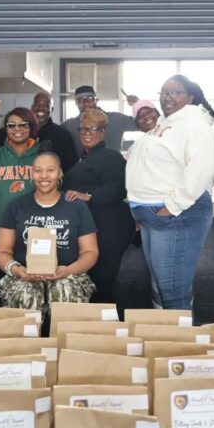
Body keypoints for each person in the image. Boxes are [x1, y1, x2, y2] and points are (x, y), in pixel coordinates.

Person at [126, 75, 214, 310]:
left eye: (175, 92)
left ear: (191, 97)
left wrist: (173, 206)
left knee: (173, 291)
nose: (168, 97)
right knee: (159, 287)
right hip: (153, 216)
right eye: (164, 92)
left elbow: (200, 170)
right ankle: (163, 341)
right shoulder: (168, 124)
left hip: (175, 215)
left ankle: (181, 346)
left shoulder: (195, 124)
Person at [0, 152, 99, 311]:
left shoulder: (76, 206)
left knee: (65, 292)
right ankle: (27, 336)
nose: (44, 176)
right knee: (24, 294)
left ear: (60, 173)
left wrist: (68, 270)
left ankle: (62, 336)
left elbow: (90, 251)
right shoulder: (16, 206)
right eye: (38, 170)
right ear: (31, 173)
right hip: (24, 275)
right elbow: (2, 251)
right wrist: (17, 270)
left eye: (50, 170)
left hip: (67, 275)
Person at [62, 109, 135, 303]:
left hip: (109, 228)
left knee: (101, 284)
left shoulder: (111, 156)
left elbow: (120, 189)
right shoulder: (83, 157)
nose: (87, 133)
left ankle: (104, 330)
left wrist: (88, 196)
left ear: (103, 132)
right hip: (90, 228)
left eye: (93, 129)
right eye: (83, 129)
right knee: (91, 285)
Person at [0, 107, 41, 302]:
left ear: (32, 127)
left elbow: (54, 189)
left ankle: (37, 328)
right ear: (5, 129)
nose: (17, 129)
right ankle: (6, 326)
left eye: (23, 125)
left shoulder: (43, 156)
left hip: (36, 231)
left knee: (37, 279)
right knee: (5, 280)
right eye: (11, 125)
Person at [0, 90, 78, 172]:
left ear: (51, 109)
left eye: (45, 105)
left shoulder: (61, 135)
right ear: (32, 108)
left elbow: (71, 168)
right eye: (37, 104)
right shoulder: (18, 130)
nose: (40, 108)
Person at [61, 85, 139, 155]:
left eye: (90, 99)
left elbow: (141, 124)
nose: (86, 104)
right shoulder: (70, 125)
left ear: (96, 100)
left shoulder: (116, 119)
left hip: (113, 168)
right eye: (81, 100)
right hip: (84, 169)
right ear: (76, 103)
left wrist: (137, 105)